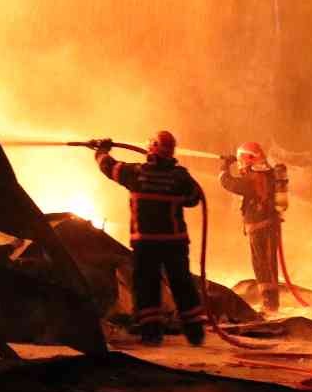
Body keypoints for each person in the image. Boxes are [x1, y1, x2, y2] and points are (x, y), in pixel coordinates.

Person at [93, 131, 206, 346]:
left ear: (151, 148)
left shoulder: (136, 173)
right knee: (182, 285)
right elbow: (193, 199)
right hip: (175, 242)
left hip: (146, 243)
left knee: (147, 287)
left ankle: (151, 333)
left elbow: (108, 167)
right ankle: (195, 332)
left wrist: (101, 150)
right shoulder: (180, 176)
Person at [219, 141, 283, 313]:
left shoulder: (254, 178)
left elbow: (228, 183)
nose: (240, 165)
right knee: (268, 265)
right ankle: (271, 303)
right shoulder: (267, 174)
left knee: (262, 266)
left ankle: (269, 305)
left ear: (246, 160)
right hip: (268, 227)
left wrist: (224, 167)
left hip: (260, 228)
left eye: (241, 161)